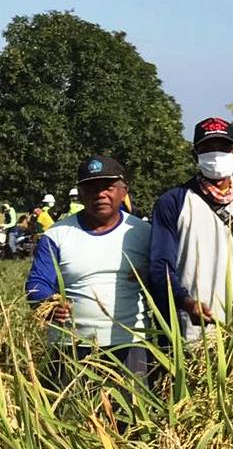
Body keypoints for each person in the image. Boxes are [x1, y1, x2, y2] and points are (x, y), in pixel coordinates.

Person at [25, 156, 152, 388]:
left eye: (107, 187)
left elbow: (163, 277)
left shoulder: (143, 233)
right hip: (71, 346)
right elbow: (37, 282)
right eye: (90, 188)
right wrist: (49, 303)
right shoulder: (58, 234)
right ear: (80, 194)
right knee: (68, 418)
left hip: (130, 344)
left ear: (123, 191)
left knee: (132, 419)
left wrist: (149, 276)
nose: (99, 194)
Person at [149, 117, 233, 342]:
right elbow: (160, 266)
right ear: (194, 154)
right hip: (193, 330)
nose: (216, 155)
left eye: (223, 148)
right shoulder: (173, 203)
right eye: (207, 148)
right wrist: (185, 302)